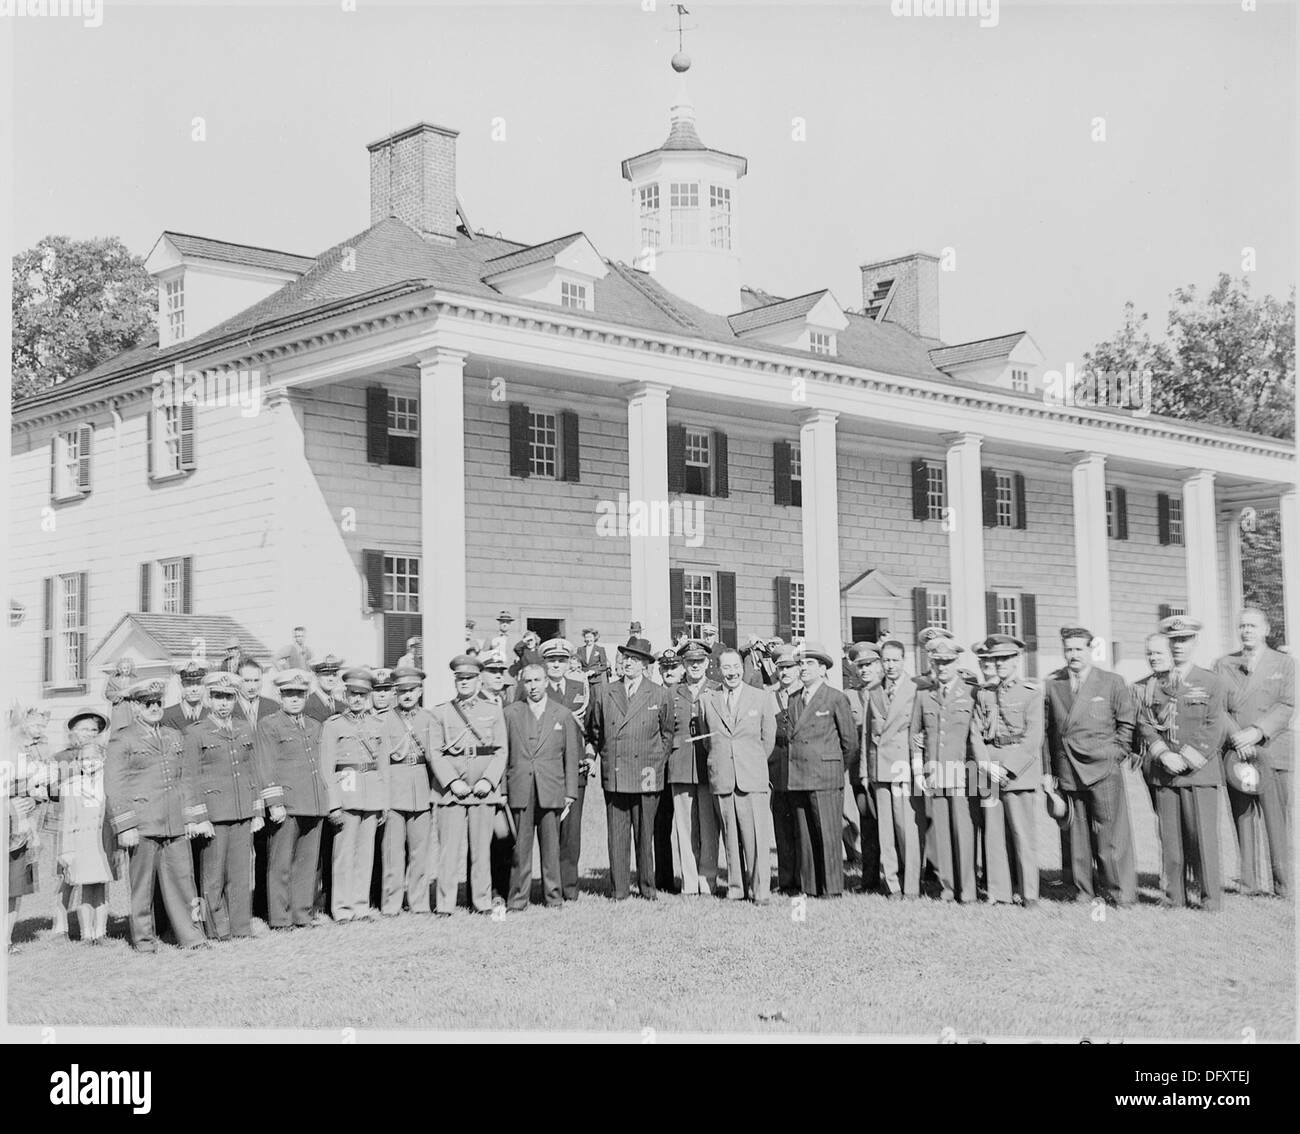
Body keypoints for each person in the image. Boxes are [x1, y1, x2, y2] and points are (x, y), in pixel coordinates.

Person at [1136, 618, 1233, 912]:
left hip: (1200, 773)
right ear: (1168, 643)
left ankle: (1210, 899)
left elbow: (1215, 725)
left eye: (1185, 639)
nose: (1179, 645)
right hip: (1164, 772)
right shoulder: (1156, 683)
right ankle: (1173, 897)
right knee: (1170, 840)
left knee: (1203, 839)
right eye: (1174, 640)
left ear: (1194, 643)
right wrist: (1164, 754)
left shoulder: (1211, 681)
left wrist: (1186, 758)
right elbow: (1145, 722)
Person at [104, 679, 207, 952]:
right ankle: (144, 941)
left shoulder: (174, 736)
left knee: (185, 882)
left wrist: (190, 818)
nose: (154, 707)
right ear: (136, 706)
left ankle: (193, 937)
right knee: (142, 887)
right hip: (143, 824)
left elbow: (186, 780)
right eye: (147, 703)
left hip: (174, 822)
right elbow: (115, 785)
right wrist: (125, 825)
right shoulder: (122, 738)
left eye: (158, 702)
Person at [1042, 626, 1138, 907]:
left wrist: (1115, 755)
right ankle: (1084, 892)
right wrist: (1048, 772)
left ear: (1090, 650)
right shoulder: (1053, 684)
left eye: (1078, 649)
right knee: (1077, 835)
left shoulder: (1112, 681)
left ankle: (1120, 894)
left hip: (1102, 768)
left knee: (1111, 834)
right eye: (1068, 649)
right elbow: (1047, 733)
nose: (1073, 655)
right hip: (1068, 769)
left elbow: (1126, 724)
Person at [586, 636, 675, 900]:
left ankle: (648, 887)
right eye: (626, 658)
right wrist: (604, 755)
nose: (629, 663)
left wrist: (655, 761)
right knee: (617, 834)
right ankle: (620, 889)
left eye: (635, 660)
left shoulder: (659, 693)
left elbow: (667, 733)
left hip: (647, 773)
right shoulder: (605, 692)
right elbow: (594, 730)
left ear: (646, 665)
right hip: (615, 772)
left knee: (645, 832)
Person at [1214, 607, 1293, 900]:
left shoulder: (1284, 664)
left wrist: (1257, 732)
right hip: (1237, 754)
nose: (1246, 630)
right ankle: (1248, 883)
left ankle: (1283, 886)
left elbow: (1286, 705)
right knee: (1242, 817)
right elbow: (1218, 707)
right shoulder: (1223, 664)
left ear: (1266, 630)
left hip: (1272, 751)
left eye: (1252, 626)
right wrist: (1237, 735)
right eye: (1242, 626)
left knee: (1277, 820)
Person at [183, 671, 266, 940]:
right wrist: (200, 817)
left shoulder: (244, 728)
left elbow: (252, 770)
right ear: (208, 699)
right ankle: (217, 930)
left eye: (228, 698)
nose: (223, 704)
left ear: (235, 699)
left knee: (241, 874)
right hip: (215, 815)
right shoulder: (196, 733)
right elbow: (191, 778)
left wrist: (257, 810)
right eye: (218, 697)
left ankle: (241, 928)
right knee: (214, 877)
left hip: (242, 811)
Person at [429, 654, 508, 915]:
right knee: (448, 850)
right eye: (459, 678)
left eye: (469, 678)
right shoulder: (441, 712)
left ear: (478, 680)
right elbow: (435, 752)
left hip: (483, 789)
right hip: (452, 792)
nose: (464, 683)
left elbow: (501, 751)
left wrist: (488, 780)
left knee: (481, 850)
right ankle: (445, 904)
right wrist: (452, 782)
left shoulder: (493, 711)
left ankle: (482, 901)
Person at [910, 636, 983, 903]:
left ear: (956, 662)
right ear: (931, 663)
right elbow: (915, 736)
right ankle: (949, 888)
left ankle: (969, 890)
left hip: (964, 774)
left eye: (948, 662)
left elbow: (978, 736)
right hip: (936, 774)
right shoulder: (923, 696)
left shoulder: (972, 692)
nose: (942, 668)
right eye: (937, 662)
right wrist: (919, 772)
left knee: (964, 833)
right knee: (942, 833)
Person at [973, 635, 1044, 908]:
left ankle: (1029, 893)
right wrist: (985, 764)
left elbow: (1032, 738)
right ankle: (999, 892)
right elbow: (976, 734)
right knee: (994, 834)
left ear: (1016, 660)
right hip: (989, 770)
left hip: (1018, 772)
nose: (999, 664)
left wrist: (1009, 769)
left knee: (1022, 835)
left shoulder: (1030, 693)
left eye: (1004, 659)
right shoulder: (985, 693)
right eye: (994, 659)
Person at [503, 664, 582, 909]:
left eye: (538, 680)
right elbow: (504, 755)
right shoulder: (510, 713)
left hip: (551, 788)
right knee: (521, 848)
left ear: (546, 681)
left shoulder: (562, 714)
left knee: (551, 847)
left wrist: (570, 791)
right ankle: (518, 899)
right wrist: (504, 790)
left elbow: (571, 755)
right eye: (528, 681)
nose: (533, 686)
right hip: (520, 788)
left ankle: (553, 896)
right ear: (521, 684)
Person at [701, 649, 777, 903]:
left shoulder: (761, 697)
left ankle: (760, 891)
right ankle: (736, 889)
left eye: (736, 667)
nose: (732, 672)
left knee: (756, 838)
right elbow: (706, 740)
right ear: (718, 670)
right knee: (730, 838)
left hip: (752, 777)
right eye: (726, 668)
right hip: (723, 777)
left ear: (742, 669)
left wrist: (751, 762)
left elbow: (768, 739)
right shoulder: (707, 699)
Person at [257, 669, 331, 930]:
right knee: (281, 863)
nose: (294, 699)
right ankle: (279, 917)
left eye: (299, 694)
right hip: (286, 804)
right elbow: (266, 764)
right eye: (289, 694)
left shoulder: (314, 725)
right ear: (280, 695)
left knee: (307, 864)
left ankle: (302, 913)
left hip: (313, 801)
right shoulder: (269, 724)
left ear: (306, 695)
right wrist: (274, 802)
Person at [785, 642, 858, 898]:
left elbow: (850, 742)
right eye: (801, 664)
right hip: (798, 775)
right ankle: (811, 886)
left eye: (810, 663)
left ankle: (832, 888)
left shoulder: (836, 697)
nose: (803, 668)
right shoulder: (793, 699)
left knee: (828, 833)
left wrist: (834, 768)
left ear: (823, 668)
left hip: (825, 775)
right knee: (805, 835)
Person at [320, 667, 389, 922]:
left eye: (362, 694)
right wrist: (334, 804)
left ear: (369, 695)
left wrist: (384, 802)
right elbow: (327, 769)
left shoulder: (378, 724)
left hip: (371, 795)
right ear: (345, 695)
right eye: (352, 694)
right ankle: (342, 908)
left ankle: (360, 905)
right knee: (344, 854)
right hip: (346, 796)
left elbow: (383, 767)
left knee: (366, 853)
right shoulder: (333, 725)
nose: (357, 699)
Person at [48, 710, 117, 942]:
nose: (90, 733)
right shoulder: (61, 757)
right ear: (73, 730)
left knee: (97, 884)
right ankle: (61, 925)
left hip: (98, 831)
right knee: (67, 879)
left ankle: (98, 931)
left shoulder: (104, 765)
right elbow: (52, 790)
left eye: (94, 730)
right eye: (85, 729)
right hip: (70, 825)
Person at [863, 637, 923, 900]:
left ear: (903, 661)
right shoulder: (874, 690)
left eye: (895, 660)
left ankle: (911, 884)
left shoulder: (915, 689)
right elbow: (867, 732)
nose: (890, 666)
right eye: (885, 660)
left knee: (905, 827)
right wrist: (865, 771)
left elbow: (918, 729)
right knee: (885, 830)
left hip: (902, 767)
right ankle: (893, 884)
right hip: (879, 767)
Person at [667, 641, 722, 896]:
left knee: (709, 826)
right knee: (685, 826)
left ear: (707, 663)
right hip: (680, 764)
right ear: (684, 665)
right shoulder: (673, 692)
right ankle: (689, 882)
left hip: (709, 764)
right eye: (690, 662)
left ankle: (707, 879)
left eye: (699, 661)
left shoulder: (717, 689)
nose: (695, 666)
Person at [379, 667, 434, 916]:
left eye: (412, 690)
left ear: (420, 691)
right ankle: (390, 903)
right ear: (395, 693)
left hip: (422, 790)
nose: (407, 695)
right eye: (402, 691)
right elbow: (382, 762)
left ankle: (419, 901)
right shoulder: (385, 719)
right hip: (395, 791)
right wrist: (384, 798)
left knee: (420, 852)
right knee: (392, 852)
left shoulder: (429, 719)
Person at [768, 647, 808, 896]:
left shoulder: (806, 696)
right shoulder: (768, 696)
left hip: (802, 769)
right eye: (781, 668)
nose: (785, 672)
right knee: (781, 826)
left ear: (798, 670)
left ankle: (804, 878)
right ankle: (785, 879)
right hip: (777, 770)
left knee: (801, 826)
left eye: (790, 668)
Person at [846, 643, 885, 894]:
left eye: (869, 664)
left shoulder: (888, 693)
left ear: (880, 665)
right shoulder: (849, 696)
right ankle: (869, 878)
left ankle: (902, 876)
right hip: (859, 773)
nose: (864, 670)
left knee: (896, 826)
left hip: (887, 771)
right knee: (868, 825)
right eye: (860, 666)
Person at [652, 649, 685, 891]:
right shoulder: (654, 695)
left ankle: (696, 879)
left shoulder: (686, 694)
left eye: (674, 667)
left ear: (682, 669)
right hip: (660, 769)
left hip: (683, 767)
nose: (669, 672)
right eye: (664, 668)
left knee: (689, 825)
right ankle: (664, 878)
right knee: (661, 826)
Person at [161, 661, 208, 732]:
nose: (194, 689)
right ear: (181, 686)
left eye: (198, 683)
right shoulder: (167, 715)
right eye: (188, 684)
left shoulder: (212, 713)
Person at [236, 659, 278, 730]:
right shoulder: (228, 709)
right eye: (246, 681)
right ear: (237, 681)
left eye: (256, 680)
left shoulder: (274, 708)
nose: (252, 687)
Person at [305, 655, 347, 723]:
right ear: (316, 676)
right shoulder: (307, 705)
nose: (331, 679)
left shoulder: (341, 705)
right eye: (326, 674)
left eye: (334, 675)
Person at [104, 657, 137, 734]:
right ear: (119, 669)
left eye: (128, 667)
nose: (126, 669)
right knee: (118, 731)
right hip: (118, 708)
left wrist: (130, 694)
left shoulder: (134, 680)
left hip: (131, 708)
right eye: (124, 668)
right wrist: (119, 693)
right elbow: (108, 693)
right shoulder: (113, 680)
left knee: (131, 730)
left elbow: (138, 692)